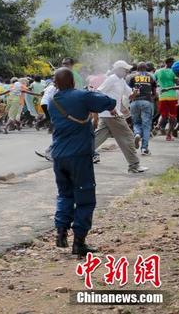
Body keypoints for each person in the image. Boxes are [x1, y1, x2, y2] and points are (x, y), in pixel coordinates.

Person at [48, 68, 117, 256]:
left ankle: (61, 232)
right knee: (85, 198)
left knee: (64, 194)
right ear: (72, 81)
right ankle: (79, 242)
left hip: (59, 156)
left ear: (56, 83)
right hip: (78, 156)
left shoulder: (53, 101)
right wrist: (94, 91)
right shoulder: (82, 96)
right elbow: (109, 102)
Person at [93, 61, 147, 173]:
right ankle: (134, 165)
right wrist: (110, 107)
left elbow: (130, 95)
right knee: (128, 137)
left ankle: (76, 154)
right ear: (118, 69)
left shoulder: (121, 80)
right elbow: (98, 93)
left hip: (107, 114)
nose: (127, 71)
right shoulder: (112, 79)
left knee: (97, 138)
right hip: (112, 114)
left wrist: (135, 93)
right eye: (125, 69)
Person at [128, 63, 157, 155]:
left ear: (137, 68)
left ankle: (137, 134)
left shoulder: (132, 77)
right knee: (146, 125)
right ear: (146, 68)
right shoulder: (151, 77)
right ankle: (144, 148)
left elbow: (128, 90)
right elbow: (154, 92)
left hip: (134, 102)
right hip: (146, 102)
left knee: (136, 122)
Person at [154, 58, 179, 140]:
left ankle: (158, 126)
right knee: (172, 116)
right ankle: (169, 135)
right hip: (172, 96)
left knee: (164, 114)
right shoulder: (173, 72)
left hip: (162, 96)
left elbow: (154, 82)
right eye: (173, 63)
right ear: (169, 63)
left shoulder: (157, 71)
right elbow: (178, 84)